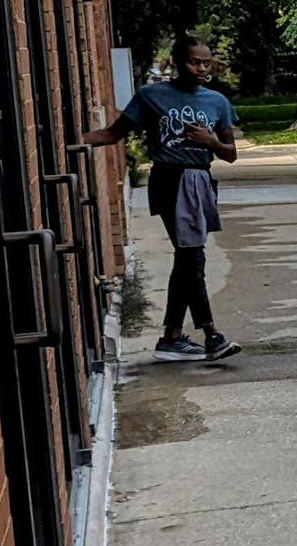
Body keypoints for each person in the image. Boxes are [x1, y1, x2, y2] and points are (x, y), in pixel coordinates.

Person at [88, 35, 242, 364]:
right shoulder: (151, 96)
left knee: (187, 260)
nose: (201, 68)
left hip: (200, 180)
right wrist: (67, 141)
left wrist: (210, 141)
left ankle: (172, 337)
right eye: (194, 62)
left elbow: (230, 154)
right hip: (170, 180)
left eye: (206, 63)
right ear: (177, 62)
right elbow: (113, 134)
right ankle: (211, 334)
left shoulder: (217, 101)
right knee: (192, 257)